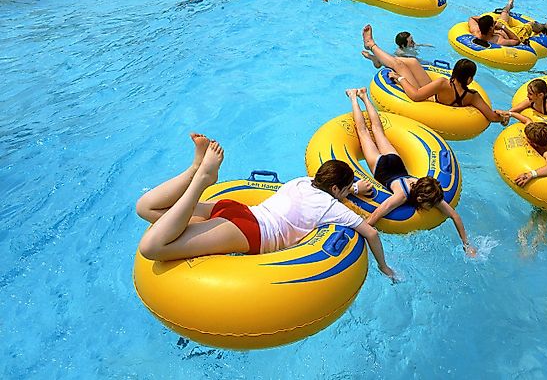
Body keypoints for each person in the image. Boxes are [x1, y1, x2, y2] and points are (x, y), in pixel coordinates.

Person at [135, 133, 395, 278]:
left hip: (237, 209)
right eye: (347, 189)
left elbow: (331, 191)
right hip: (249, 233)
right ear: (336, 190)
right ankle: (202, 179)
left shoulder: (303, 182)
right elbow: (371, 233)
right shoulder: (331, 207)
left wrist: (355, 188)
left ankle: (194, 168)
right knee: (151, 247)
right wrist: (384, 267)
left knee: (146, 209)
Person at [346, 89, 476, 256]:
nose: (433, 207)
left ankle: (363, 95)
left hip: (396, 162)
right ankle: (354, 97)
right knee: (364, 132)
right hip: (382, 166)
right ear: (420, 199)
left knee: (377, 130)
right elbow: (378, 213)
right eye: (430, 206)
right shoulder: (401, 195)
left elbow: (455, 216)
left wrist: (466, 244)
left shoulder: (428, 189)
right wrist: (362, 233)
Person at [361, 25, 509, 126]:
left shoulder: (443, 83)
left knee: (399, 66)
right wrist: (502, 116)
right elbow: (492, 117)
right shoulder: (473, 95)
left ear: (455, 73)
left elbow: (416, 96)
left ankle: (371, 45)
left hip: (427, 98)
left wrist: (400, 79)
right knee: (412, 61)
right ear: (470, 79)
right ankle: (378, 59)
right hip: (433, 94)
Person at [468, 0, 547, 47]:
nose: (495, 22)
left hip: (500, 28)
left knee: (504, 12)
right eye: (493, 23)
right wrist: (503, 27)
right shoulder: (498, 41)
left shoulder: (476, 31)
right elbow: (516, 41)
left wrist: (484, 22)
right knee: (531, 24)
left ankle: (510, 4)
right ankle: (546, 26)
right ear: (491, 27)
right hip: (513, 33)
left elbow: (472, 18)